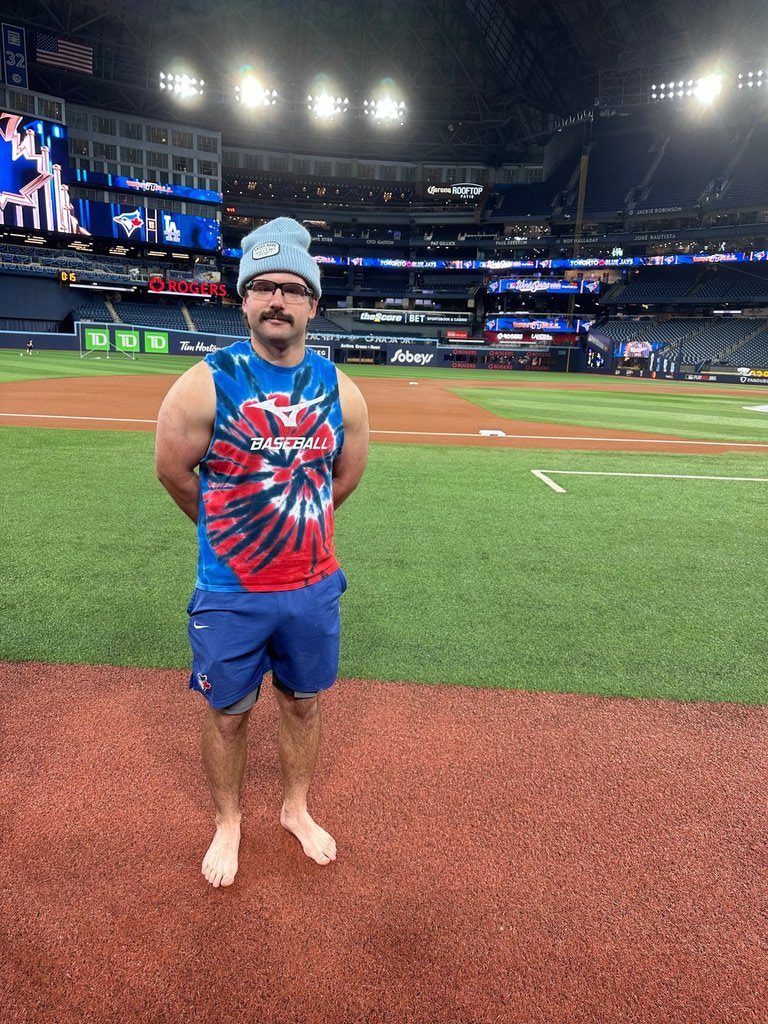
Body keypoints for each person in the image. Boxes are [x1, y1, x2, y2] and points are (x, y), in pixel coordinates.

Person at [155, 217, 369, 888]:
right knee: (228, 714)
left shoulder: (343, 391)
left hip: (311, 588)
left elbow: (346, 477)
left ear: (312, 302)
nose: (277, 300)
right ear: (244, 299)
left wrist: (298, 528)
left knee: (303, 703)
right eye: (263, 287)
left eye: (291, 288)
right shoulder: (204, 384)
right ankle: (228, 821)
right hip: (232, 591)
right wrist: (227, 530)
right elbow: (173, 471)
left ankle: (295, 809)